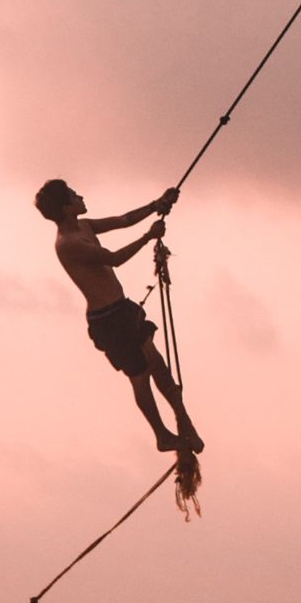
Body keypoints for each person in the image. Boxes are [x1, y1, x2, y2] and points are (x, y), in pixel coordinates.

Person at [36, 180, 203, 458]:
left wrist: (156, 205)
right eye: (73, 195)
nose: (80, 195)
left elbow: (123, 220)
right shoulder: (68, 243)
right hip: (107, 320)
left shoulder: (84, 226)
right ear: (66, 208)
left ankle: (183, 421)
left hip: (122, 309)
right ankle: (163, 436)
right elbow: (113, 259)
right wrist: (148, 237)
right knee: (140, 376)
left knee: (157, 364)